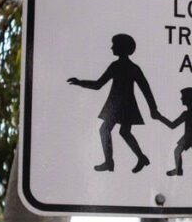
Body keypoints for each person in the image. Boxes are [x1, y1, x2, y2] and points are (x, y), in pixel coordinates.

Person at [68, 33, 159, 173]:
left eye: (114, 45)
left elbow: (145, 89)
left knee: (107, 130)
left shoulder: (122, 66)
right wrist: (80, 83)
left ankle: (112, 162)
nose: (111, 48)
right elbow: (99, 84)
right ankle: (137, 158)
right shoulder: (126, 66)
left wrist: (153, 109)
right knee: (123, 132)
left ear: (121, 47)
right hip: (123, 105)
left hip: (119, 105)